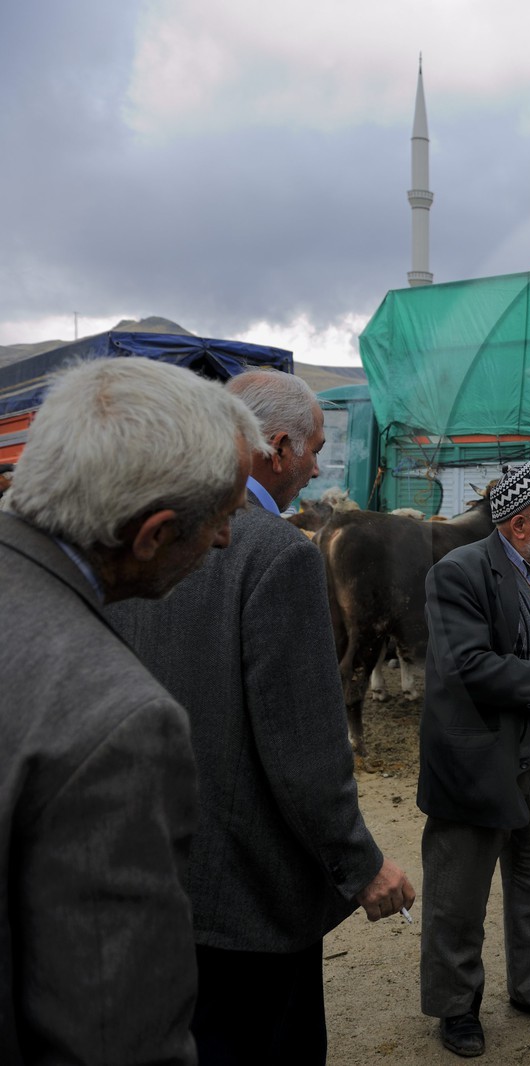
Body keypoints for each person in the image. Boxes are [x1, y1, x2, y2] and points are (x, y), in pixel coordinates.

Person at [106, 368, 415, 1064]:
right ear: (277, 447)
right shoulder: (276, 556)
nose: (314, 467)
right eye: (313, 449)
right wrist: (361, 863)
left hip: (159, 869)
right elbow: (304, 747)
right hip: (251, 898)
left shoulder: (146, 530)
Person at [0, 357, 261, 1064]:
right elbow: (115, 1038)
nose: (225, 542)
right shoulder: (117, 722)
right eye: (222, 520)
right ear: (151, 535)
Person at [417, 461, 530, 1057]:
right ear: (520, 526)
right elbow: (466, 666)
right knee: (458, 896)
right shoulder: (459, 572)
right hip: (478, 764)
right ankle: (456, 1007)